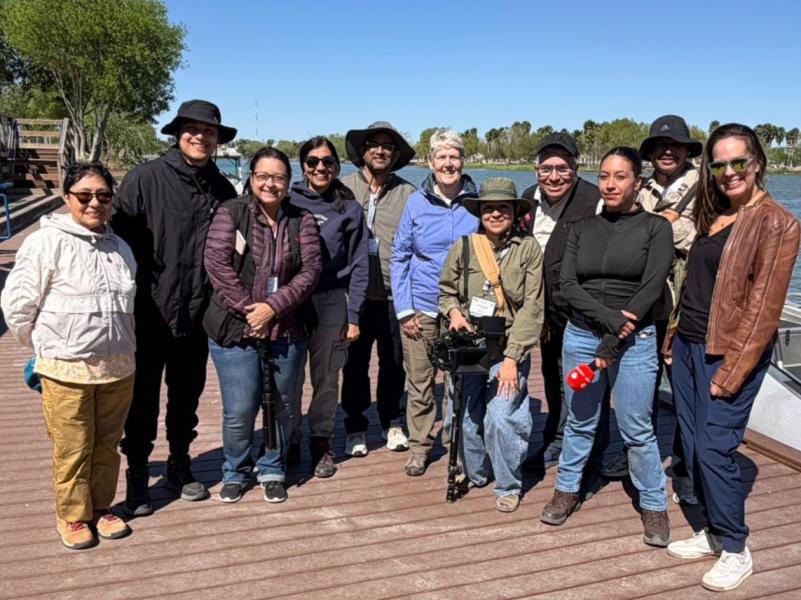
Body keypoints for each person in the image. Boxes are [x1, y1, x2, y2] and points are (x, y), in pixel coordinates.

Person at [664, 124, 799, 592]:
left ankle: (737, 548)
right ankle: (709, 531)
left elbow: (764, 309)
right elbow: (695, 284)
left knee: (715, 446)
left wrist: (734, 370)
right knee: (691, 438)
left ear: (757, 162)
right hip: (687, 345)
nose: (728, 172)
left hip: (727, 354)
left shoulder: (777, 223)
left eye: (737, 161)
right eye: (718, 164)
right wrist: (674, 336)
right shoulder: (714, 213)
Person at [540, 147, 674, 548]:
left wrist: (620, 329)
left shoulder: (655, 228)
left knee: (636, 426)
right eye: (604, 176)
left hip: (636, 339)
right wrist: (611, 322)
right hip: (583, 336)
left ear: (637, 182)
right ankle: (567, 489)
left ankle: (653, 504)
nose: (610, 184)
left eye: (620, 176)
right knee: (579, 420)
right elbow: (566, 286)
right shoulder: (581, 227)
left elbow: (652, 285)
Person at [111, 100, 238, 515]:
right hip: (147, 313)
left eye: (209, 131)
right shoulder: (144, 179)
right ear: (177, 132)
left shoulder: (222, 189)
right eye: (193, 129)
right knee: (141, 401)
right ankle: (135, 473)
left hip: (198, 314)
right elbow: (113, 247)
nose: (201, 137)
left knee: (186, 398)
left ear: (218, 139)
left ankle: (179, 465)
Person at [1, 163, 136, 549]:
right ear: (67, 198)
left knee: (107, 445)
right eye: (85, 196)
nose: (95, 203)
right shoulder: (45, 243)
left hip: (118, 367)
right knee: (72, 446)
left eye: (103, 196)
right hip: (65, 369)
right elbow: (18, 306)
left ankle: (100, 507)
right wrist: (46, 348)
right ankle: (73, 515)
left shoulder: (120, 247)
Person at [204, 147, 321, 503]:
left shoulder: (303, 220)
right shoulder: (230, 213)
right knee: (240, 409)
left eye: (279, 177)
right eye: (263, 176)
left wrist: (271, 308)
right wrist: (250, 311)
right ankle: (236, 470)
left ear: (289, 182)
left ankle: (273, 466)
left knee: (284, 404)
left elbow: (310, 271)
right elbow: (216, 265)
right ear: (251, 178)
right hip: (235, 330)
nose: (271, 184)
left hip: (287, 328)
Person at [439, 178, 544, 511]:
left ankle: (508, 484)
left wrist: (514, 357)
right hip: (470, 347)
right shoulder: (465, 245)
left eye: (503, 207)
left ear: (515, 211)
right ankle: (477, 472)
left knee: (502, 417)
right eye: (489, 208)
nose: (496, 213)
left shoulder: (528, 249)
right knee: (466, 419)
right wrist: (454, 313)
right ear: (480, 211)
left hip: (507, 349)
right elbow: (446, 291)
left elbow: (533, 306)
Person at [391, 129, 479, 476]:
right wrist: (405, 309)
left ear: (462, 161)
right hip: (423, 306)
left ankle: (458, 444)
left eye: (454, 156)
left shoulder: (477, 201)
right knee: (420, 382)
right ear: (430, 163)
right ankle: (420, 445)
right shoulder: (416, 202)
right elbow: (399, 256)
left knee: (459, 381)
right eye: (441, 157)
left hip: (462, 309)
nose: (448, 163)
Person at [519, 133, 602, 470]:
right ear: (537, 170)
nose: (554, 176)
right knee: (552, 376)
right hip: (542, 311)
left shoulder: (595, 200)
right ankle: (556, 438)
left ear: (575, 168)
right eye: (546, 168)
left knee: (582, 380)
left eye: (562, 169)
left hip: (581, 311)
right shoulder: (527, 199)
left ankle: (586, 451)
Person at [289, 137, 368, 477]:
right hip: (290, 300)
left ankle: (320, 440)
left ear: (337, 166)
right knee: (287, 377)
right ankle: (288, 439)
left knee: (327, 378)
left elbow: (361, 264)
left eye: (327, 161)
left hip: (332, 299)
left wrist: (353, 314)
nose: (320, 167)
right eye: (312, 162)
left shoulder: (349, 208)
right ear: (302, 166)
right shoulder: (286, 199)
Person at [341, 122, 417, 457]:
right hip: (353, 297)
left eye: (388, 146)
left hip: (393, 296)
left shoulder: (409, 195)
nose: (380, 150)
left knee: (393, 363)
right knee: (354, 365)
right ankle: (355, 426)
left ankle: (393, 422)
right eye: (374, 144)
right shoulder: (343, 189)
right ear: (364, 150)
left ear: (396, 154)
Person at [638, 115, 703, 503]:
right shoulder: (641, 187)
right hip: (647, 303)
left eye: (675, 145)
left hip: (687, 304)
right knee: (641, 386)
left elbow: (705, 237)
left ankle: (685, 470)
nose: (667, 151)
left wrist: (659, 228)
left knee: (685, 391)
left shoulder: (706, 188)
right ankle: (641, 461)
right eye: (660, 146)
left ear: (686, 151)